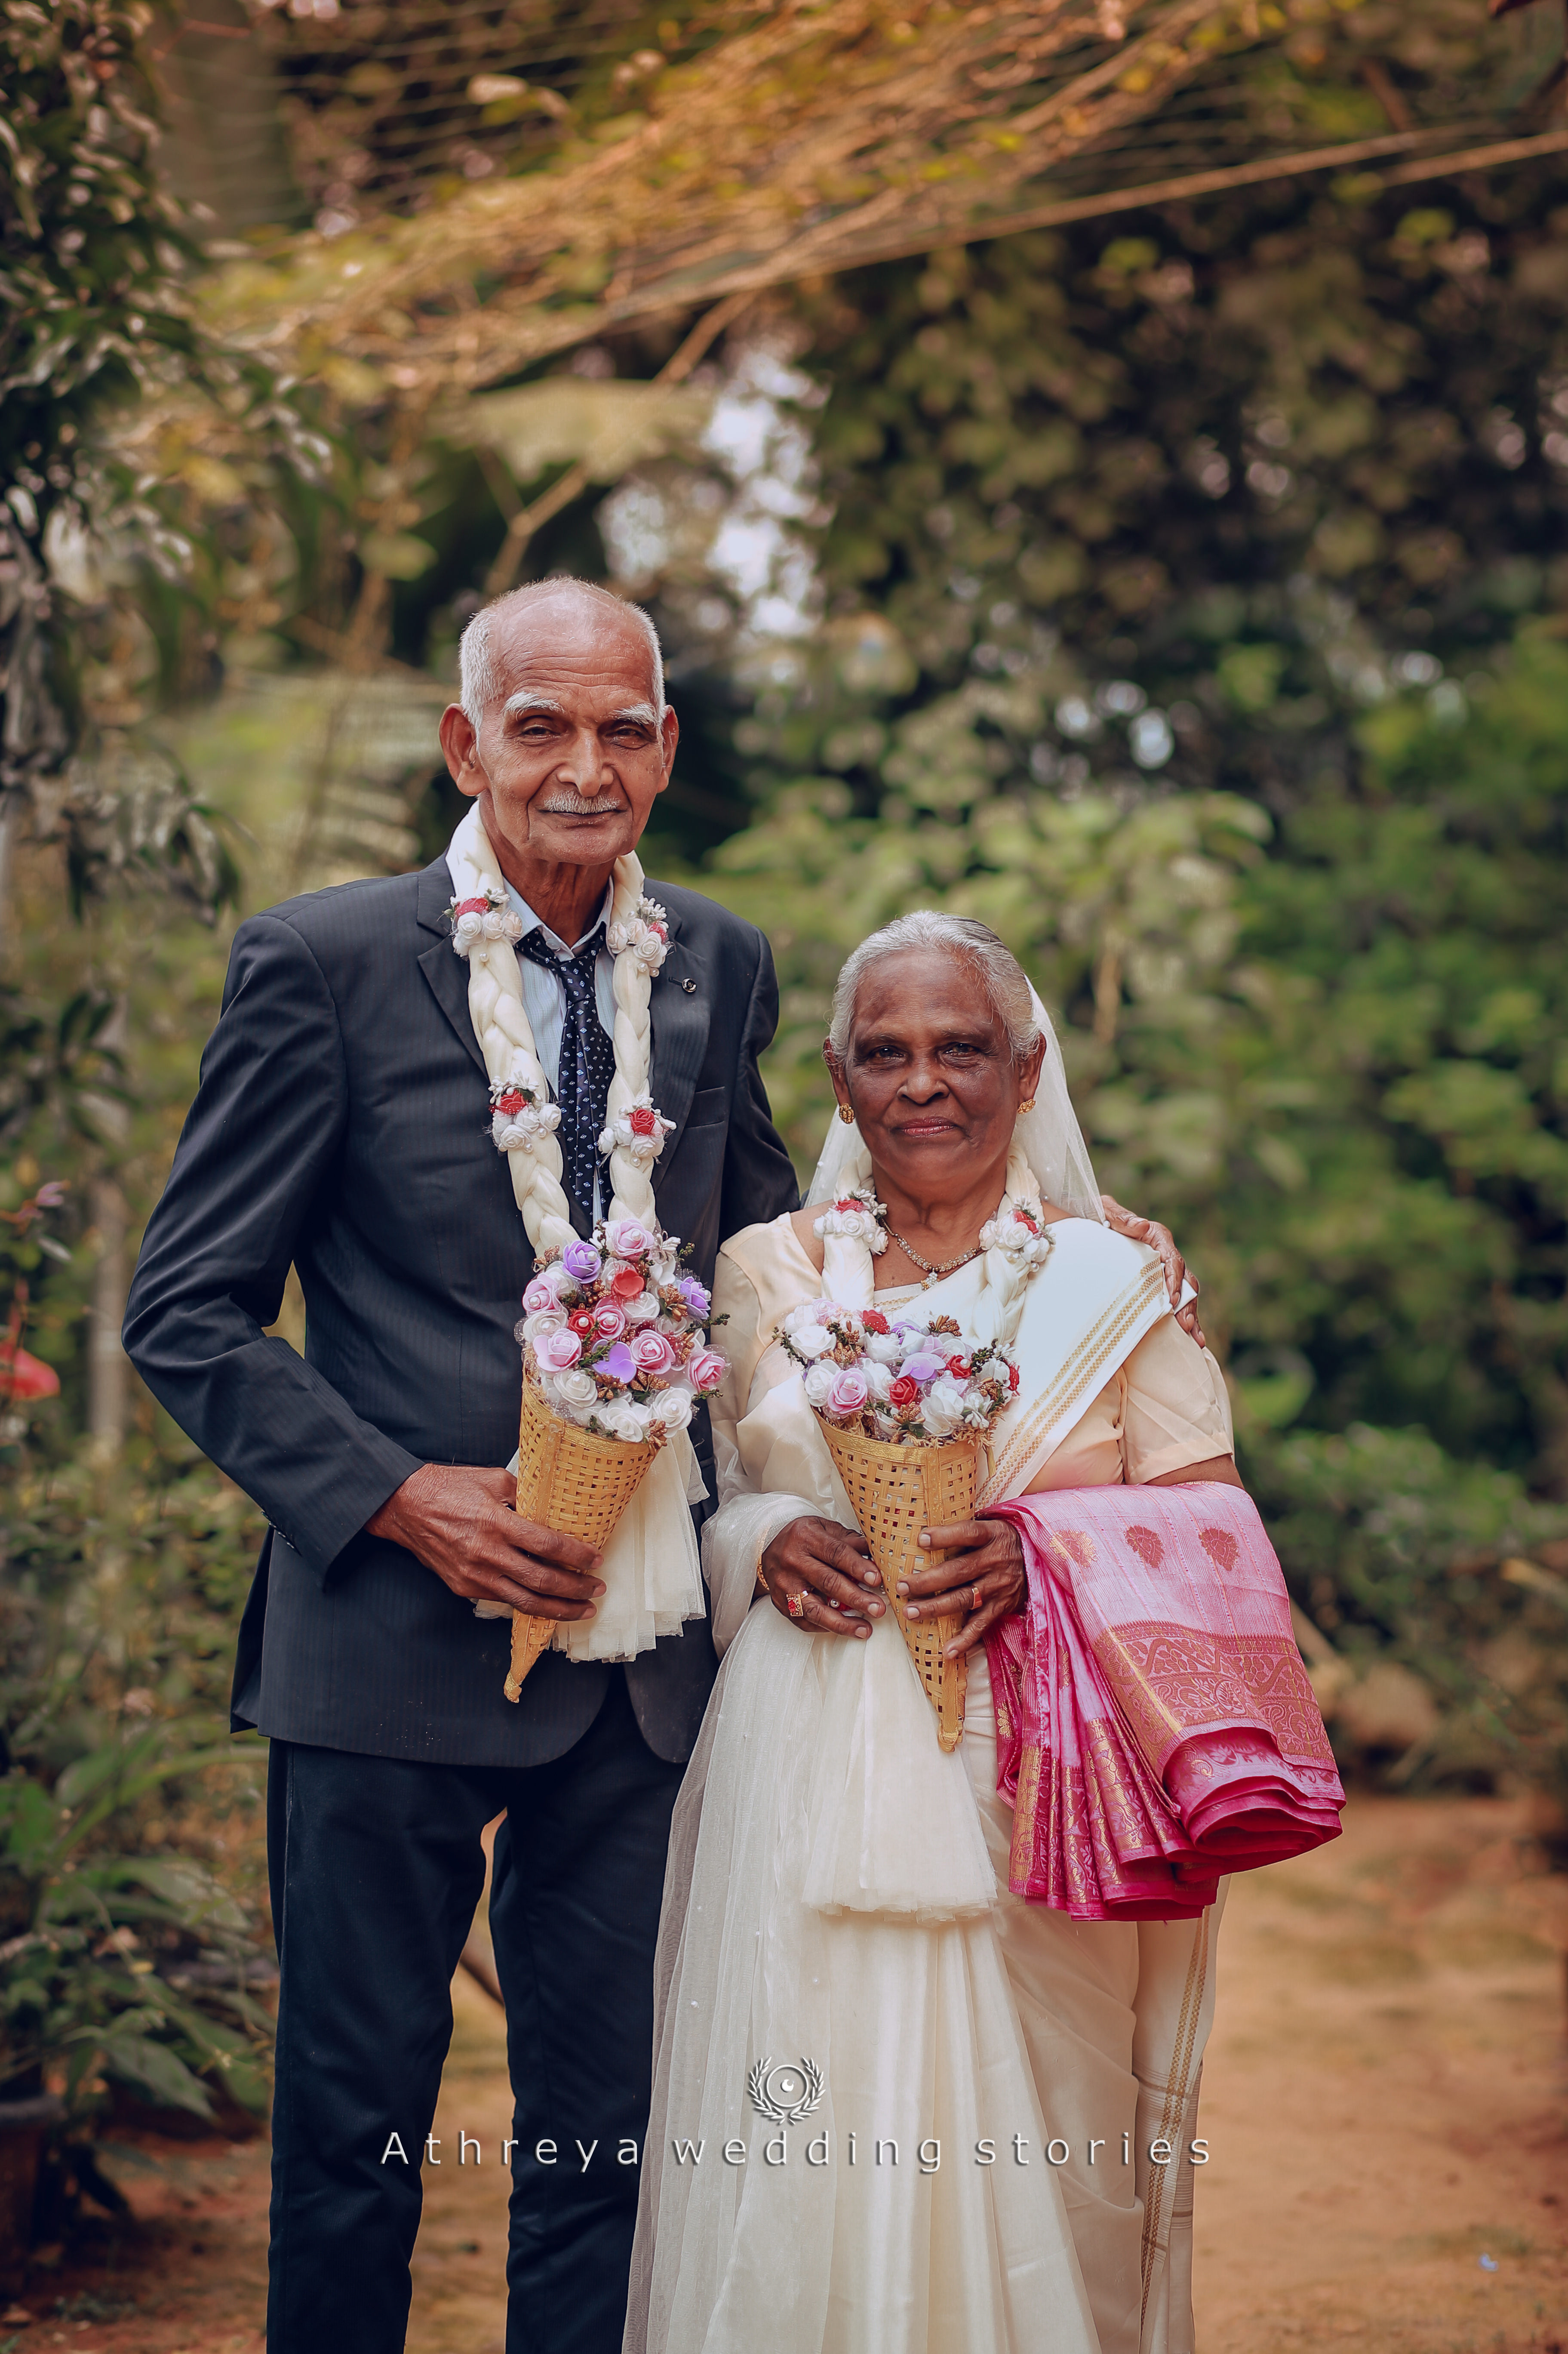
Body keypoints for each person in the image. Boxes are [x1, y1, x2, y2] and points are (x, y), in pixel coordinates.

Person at [123, 580, 1198, 2354]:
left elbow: (786, 1246)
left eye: (624, 726)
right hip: (384, 1645)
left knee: (611, 2150)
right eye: (540, 724)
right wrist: (404, 1494)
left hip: (650, 1688)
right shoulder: (317, 962)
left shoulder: (722, 963)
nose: (583, 762)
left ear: (667, 750)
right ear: (467, 745)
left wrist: (1052, 1238)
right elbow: (188, 1310)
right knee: (346, 2136)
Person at [627, 912, 1341, 2354]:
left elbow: (1215, 1535)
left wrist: (1041, 1551)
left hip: (1040, 1772)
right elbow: (702, 1507)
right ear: (838, 1083)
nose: (924, 1082)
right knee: (800, 2111)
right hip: (802, 1762)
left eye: (963, 1049)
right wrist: (767, 1547)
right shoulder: (769, 1268)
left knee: (1050, 2116)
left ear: (1027, 1071)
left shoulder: (1118, 1278)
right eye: (884, 1054)